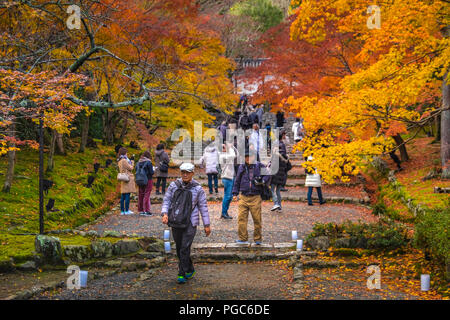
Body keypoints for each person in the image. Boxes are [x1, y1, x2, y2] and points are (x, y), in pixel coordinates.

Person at [161, 162, 211, 284]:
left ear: (192, 173)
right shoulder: (174, 186)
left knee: (184, 247)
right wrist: (164, 213)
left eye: (187, 172)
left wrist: (207, 224)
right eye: (183, 172)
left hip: (190, 222)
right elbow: (167, 200)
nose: (185, 175)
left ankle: (181, 273)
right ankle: (190, 268)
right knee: (179, 248)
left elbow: (203, 207)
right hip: (176, 220)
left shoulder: (198, 189)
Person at [232, 150, 270, 245]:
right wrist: (235, 193)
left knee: (257, 219)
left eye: (250, 156)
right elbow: (237, 180)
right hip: (243, 196)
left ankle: (257, 239)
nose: (248, 159)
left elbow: (268, 174)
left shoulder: (259, 165)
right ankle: (243, 238)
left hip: (255, 197)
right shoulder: (242, 166)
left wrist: (263, 181)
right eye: (246, 157)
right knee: (241, 218)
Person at [270, 132, 289, 211]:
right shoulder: (282, 146)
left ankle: (276, 203)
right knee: (277, 190)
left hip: (276, 171)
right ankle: (279, 205)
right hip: (281, 171)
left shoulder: (278, 147)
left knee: (271, 189)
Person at [219, 142, 237, 219]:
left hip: (231, 177)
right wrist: (230, 148)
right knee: (227, 196)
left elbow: (237, 154)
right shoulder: (222, 156)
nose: (224, 148)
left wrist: (233, 147)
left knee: (229, 196)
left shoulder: (227, 154)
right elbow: (233, 155)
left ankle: (225, 212)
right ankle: (224, 213)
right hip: (227, 178)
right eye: (223, 147)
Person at [117, 147, 136, 215]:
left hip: (123, 178)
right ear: (125, 153)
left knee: (123, 195)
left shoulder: (119, 160)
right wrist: (132, 161)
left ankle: (122, 211)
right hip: (127, 178)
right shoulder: (124, 160)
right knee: (127, 194)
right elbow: (131, 168)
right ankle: (127, 210)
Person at [136, 150, 154, 216]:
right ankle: (146, 210)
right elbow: (151, 172)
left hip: (139, 180)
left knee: (141, 194)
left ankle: (141, 210)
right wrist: (153, 169)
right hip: (148, 180)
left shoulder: (138, 162)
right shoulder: (148, 162)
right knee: (147, 194)